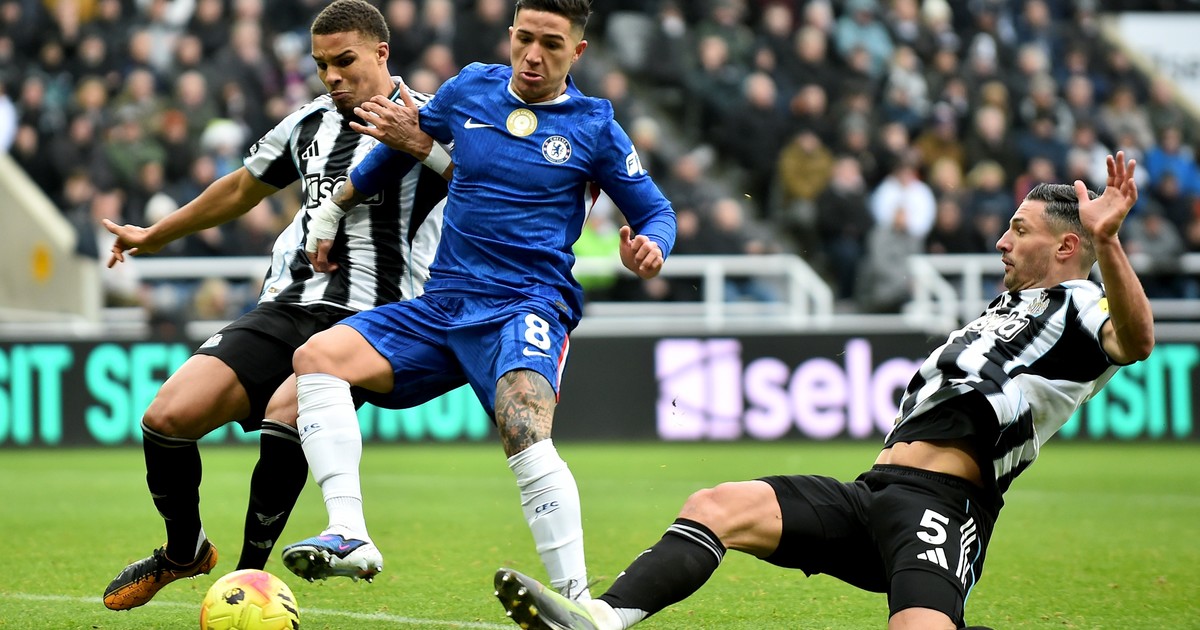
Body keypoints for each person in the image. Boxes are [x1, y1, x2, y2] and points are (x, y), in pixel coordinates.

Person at [492, 152, 1153, 630]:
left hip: (943, 512)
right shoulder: (1005, 307)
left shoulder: (1082, 308)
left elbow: (1137, 341)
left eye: (1021, 230)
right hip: (873, 494)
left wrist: (1108, 243)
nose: (1003, 240)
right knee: (717, 505)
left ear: (1067, 245)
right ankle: (601, 619)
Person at [278, 0, 676, 604]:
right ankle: (349, 533)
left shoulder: (594, 128)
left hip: (527, 305)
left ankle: (576, 602)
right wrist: (334, 208)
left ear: (577, 51)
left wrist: (651, 246)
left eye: (551, 44)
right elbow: (399, 145)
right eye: (524, 39)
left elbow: (657, 211)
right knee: (317, 358)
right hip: (444, 302)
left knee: (523, 426)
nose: (532, 56)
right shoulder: (470, 88)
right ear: (510, 34)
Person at [100, 0, 449, 610]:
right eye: (321, 65)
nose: (333, 76)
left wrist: (424, 147)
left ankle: (247, 583)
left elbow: (484, 182)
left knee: (287, 413)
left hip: (369, 319)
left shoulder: (433, 119)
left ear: (381, 53)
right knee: (166, 418)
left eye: (345, 61)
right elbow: (241, 188)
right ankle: (184, 552)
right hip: (285, 305)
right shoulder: (308, 124)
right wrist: (154, 235)